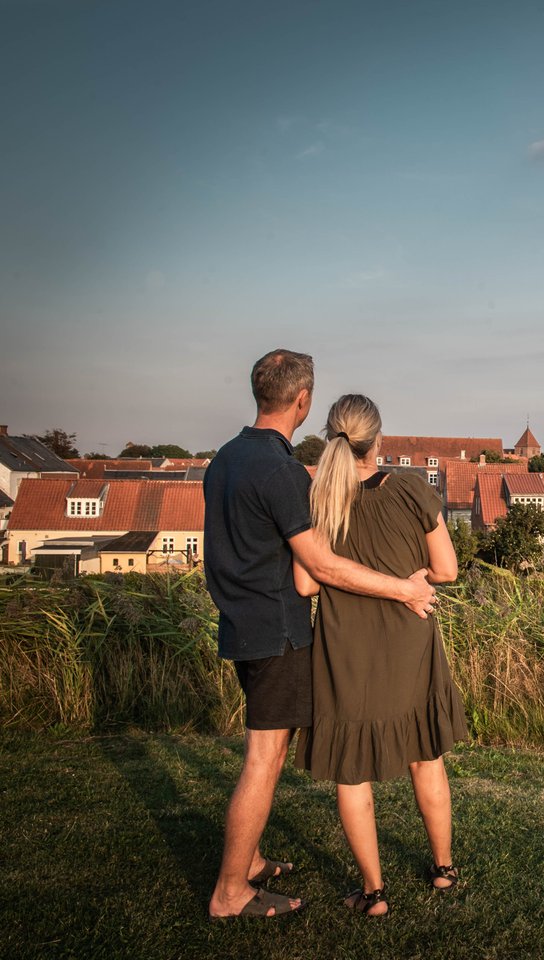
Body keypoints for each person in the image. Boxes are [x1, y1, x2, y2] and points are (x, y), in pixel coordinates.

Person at [203, 351, 437, 919]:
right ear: (302, 401)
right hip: (277, 630)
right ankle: (231, 891)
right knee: (264, 757)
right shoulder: (281, 472)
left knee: (270, 751)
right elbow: (320, 569)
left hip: (237, 623)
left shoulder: (224, 460)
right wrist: (403, 589)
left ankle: (250, 860)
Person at [293, 394, 469, 917]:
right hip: (408, 637)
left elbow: (305, 583)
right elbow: (448, 571)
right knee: (426, 757)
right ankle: (443, 868)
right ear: (379, 437)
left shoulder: (319, 500)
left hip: (346, 647)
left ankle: (373, 894)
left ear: (332, 438)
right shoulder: (412, 489)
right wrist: (412, 579)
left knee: (353, 772)